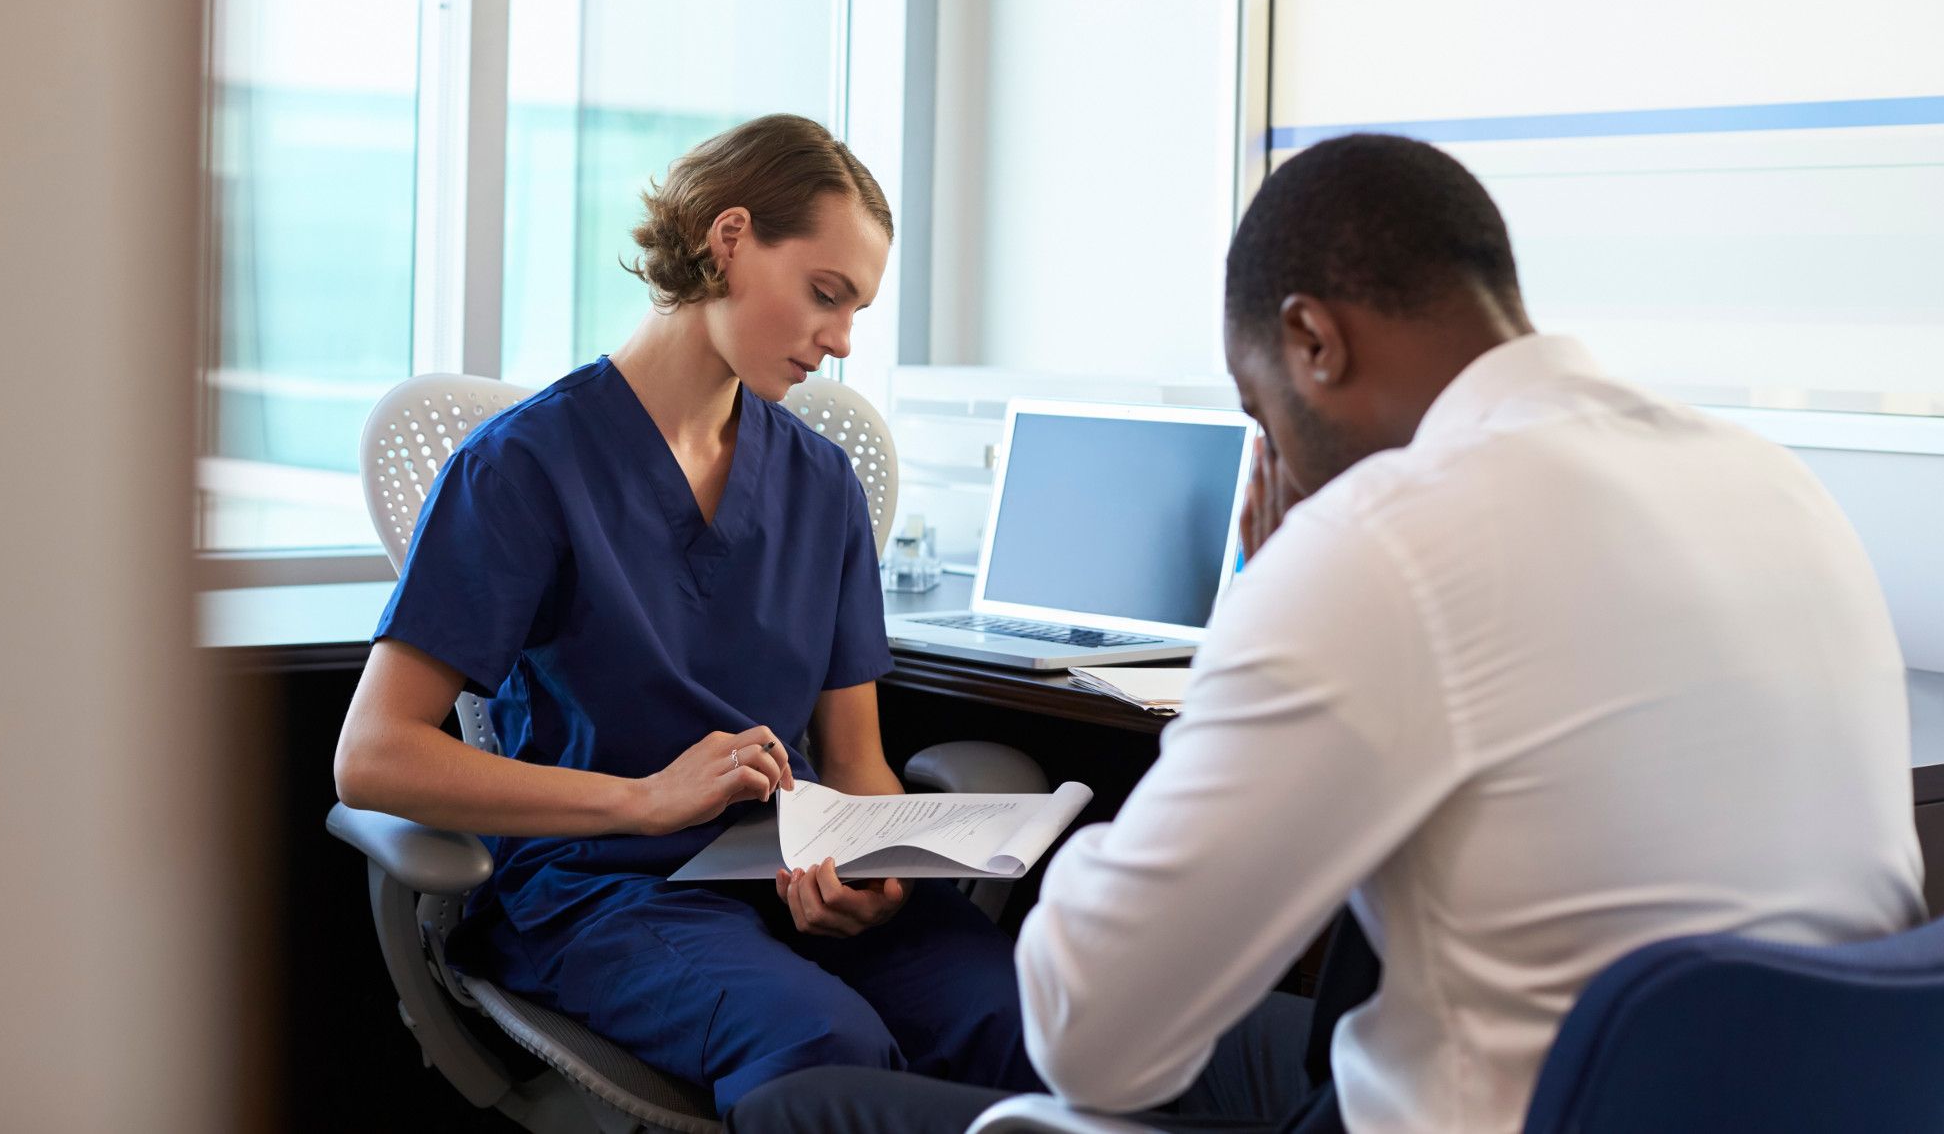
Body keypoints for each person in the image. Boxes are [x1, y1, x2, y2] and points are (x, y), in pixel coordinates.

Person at [728, 133, 1925, 1134]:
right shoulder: (1770, 487)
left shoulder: (1389, 537)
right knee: (1257, 1027)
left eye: (1260, 410)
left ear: (1312, 340)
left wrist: (1268, 590)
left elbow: (1092, 1040)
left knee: (811, 1112)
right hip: (1739, 1101)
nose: (1277, 461)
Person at [333, 114, 1039, 1115]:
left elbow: (857, 761)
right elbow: (372, 757)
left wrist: (867, 866)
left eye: (855, 312)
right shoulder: (524, 468)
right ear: (730, 239)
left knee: (1027, 1017)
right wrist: (642, 802)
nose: (839, 342)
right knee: (824, 1043)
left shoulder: (821, 483)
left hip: (780, 876)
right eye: (825, 295)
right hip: (601, 891)